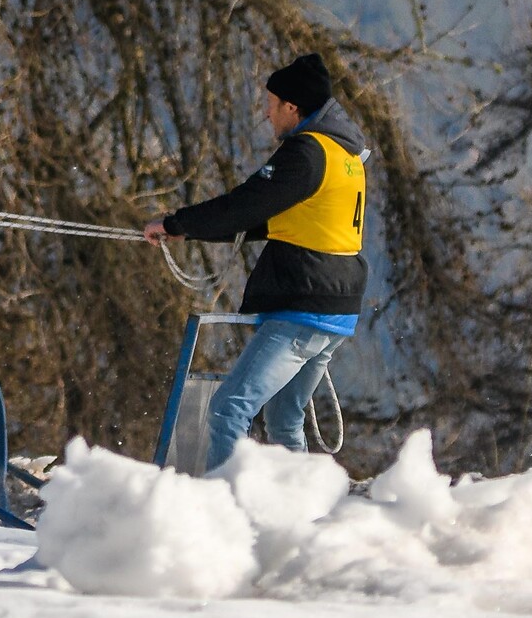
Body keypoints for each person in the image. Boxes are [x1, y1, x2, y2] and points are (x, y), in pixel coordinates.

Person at [143, 54, 368, 471]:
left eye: (271, 101)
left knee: (228, 408)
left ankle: (224, 512)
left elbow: (245, 205)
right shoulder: (342, 154)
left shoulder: (306, 153)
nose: (265, 111)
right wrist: (185, 229)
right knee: (284, 420)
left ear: (292, 107)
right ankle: (299, 515)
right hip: (335, 306)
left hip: (304, 303)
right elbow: (268, 220)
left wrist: (177, 221)